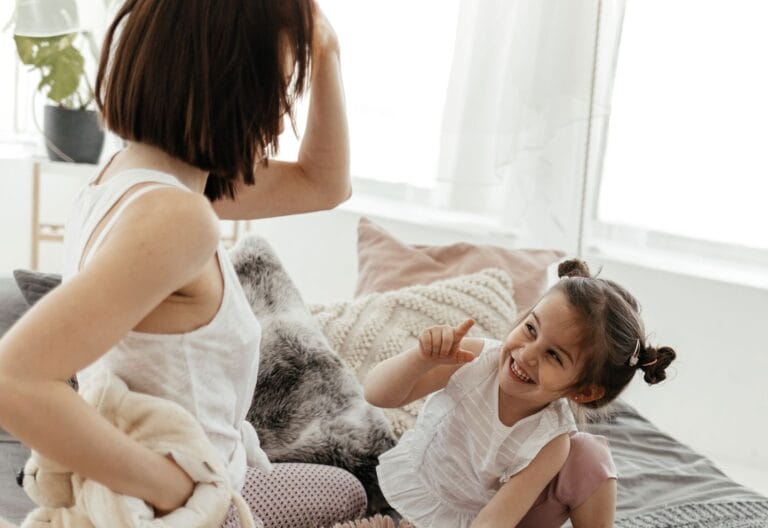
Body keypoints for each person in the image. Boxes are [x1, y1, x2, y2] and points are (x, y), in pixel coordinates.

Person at [0, 1, 366, 527]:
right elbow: (15, 377)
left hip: (187, 474)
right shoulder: (177, 217)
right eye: (277, 92)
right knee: (347, 494)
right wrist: (178, 491)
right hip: (190, 506)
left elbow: (324, 183)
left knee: (341, 486)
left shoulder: (135, 176)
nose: (282, 116)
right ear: (225, 85)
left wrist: (325, 48)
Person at [364, 259, 677, 528]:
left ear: (584, 391)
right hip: (408, 488)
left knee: (591, 456)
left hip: (465, 520)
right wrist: (420, 359)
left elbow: (495, 520)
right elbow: (377, 394)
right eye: (531, 329)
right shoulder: (474, 358)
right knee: (344, 492)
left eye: (554, 355)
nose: (527, 355)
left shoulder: (552, 443)